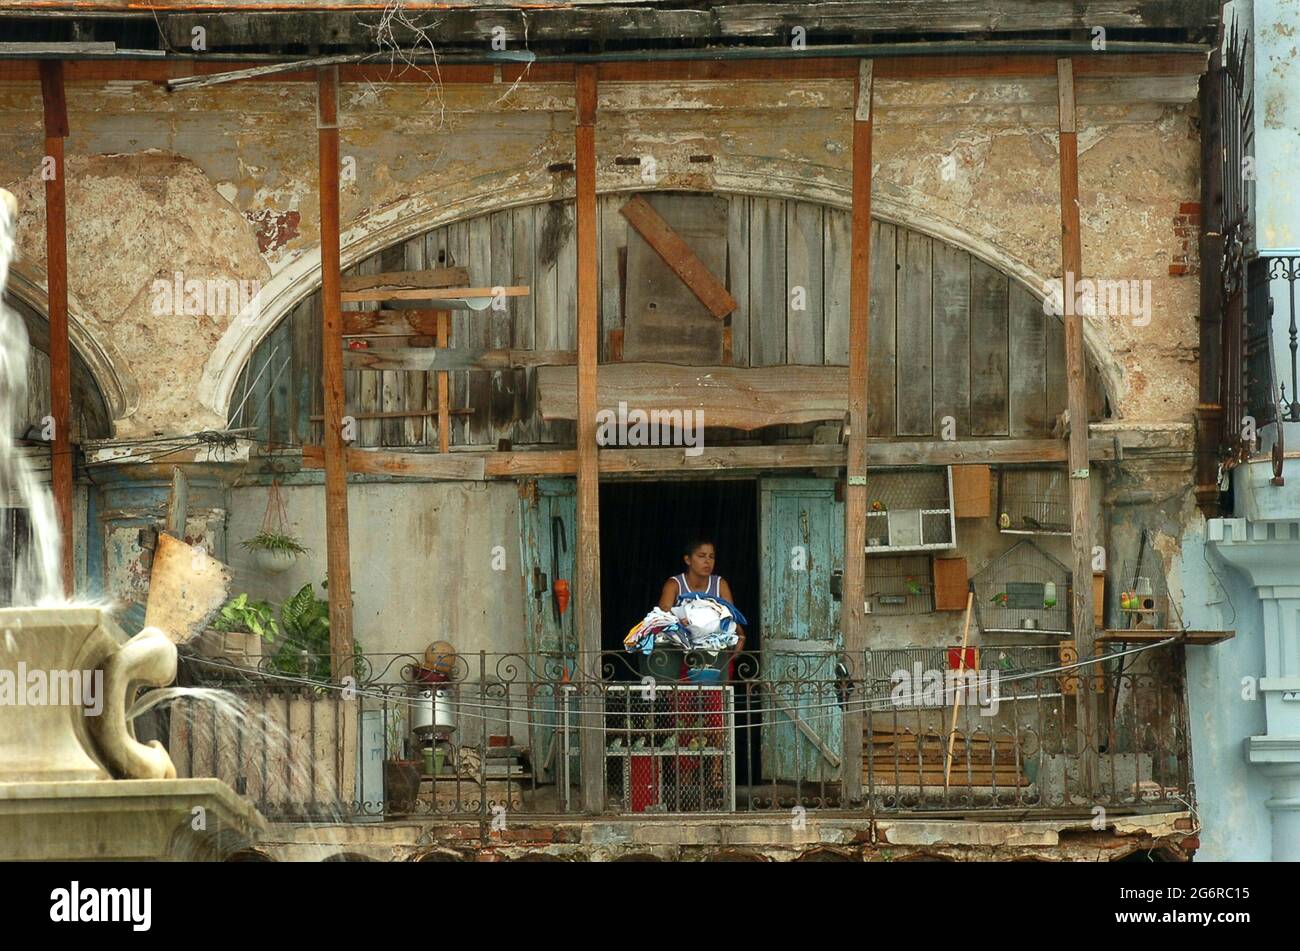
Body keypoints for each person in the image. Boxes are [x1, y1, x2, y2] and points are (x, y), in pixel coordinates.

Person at [657, 537, 746, 671]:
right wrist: (679, 620)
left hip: (714, 652)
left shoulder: (720, 584)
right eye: (701, 556)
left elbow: (731, 615)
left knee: (716, 688)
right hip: (683, 652)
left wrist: (741, 636)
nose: (708, 561)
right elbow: (663, 611)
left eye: (712, 557)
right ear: (687, 560)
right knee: (685, 690)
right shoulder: (675, 584)